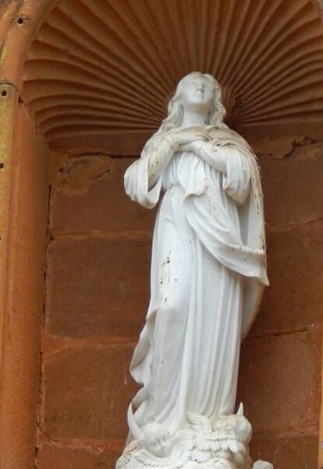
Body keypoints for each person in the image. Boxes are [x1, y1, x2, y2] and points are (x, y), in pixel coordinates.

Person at [119, 72, 268, 468]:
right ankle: (162, 418)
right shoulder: (163, 140)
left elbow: (241, 183)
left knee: (212, 324)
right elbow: (138, 183)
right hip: (178, 225)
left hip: (220, 240)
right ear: (177, 98)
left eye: (208, 84)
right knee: (172, 307)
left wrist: (198, 145)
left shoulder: (228, 143)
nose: (200, 84)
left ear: (216, 100)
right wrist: (174, 142)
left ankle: (208, 422)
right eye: (192, 82)